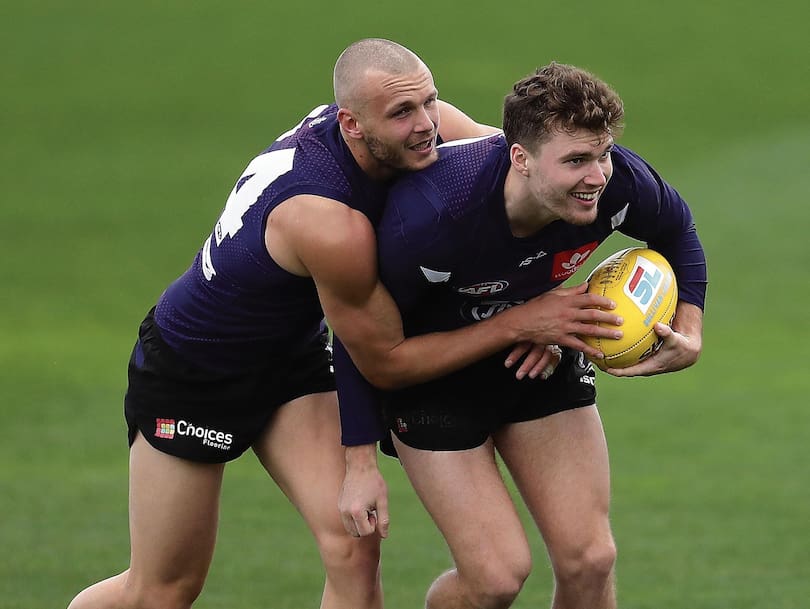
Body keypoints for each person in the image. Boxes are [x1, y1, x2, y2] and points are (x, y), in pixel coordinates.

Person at [67, 41, 624, 609]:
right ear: (352, 125)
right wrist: (524, 321)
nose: (427, 125)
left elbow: (518, 183)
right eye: (403, 114)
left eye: (429, 101)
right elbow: (382, 356)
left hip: (293, 362)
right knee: (162, 591)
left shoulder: (412, 125)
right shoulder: (328, 222)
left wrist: (546, 290)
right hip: (194, 368)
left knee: (356, 541)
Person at [355, 62, 707, 609]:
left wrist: (689, 330)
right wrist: (521, 321)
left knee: (590, 560)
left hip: (541, 354)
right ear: (519, 158)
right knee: (495, 579)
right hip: (434, 380)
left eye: (603, 153)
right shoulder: (429, 217)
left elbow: (677, 228)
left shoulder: (614, 185)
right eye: (576, 161)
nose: (597, 176)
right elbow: (374, 354)